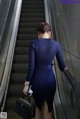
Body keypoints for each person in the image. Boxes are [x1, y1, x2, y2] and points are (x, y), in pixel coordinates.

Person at [23, 22, 68, 119]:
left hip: (37, 81)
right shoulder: (56, 45)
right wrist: (66, 69)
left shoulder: (33, 44)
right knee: (48, 109)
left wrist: (26, 84)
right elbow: (62, 66)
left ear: (39, 33)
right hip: (49, 80)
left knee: (38, 108)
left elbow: (31, 67)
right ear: (50, 33)